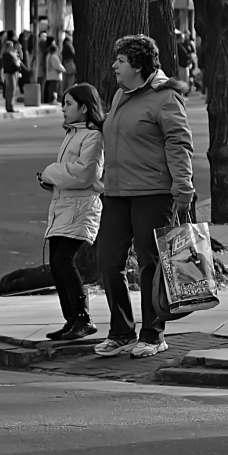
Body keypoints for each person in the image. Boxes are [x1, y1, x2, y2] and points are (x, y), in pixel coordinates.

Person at [94, 34, 194, 359]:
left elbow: (178, 144)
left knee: (150, 265)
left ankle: (153, 333)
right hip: (117, 193)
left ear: (137, 64)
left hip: (153, 194)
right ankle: (121, 331)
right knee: (108, 262)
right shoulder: (122, 95)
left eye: (120, 61)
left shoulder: (165, 97)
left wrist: (183, 188)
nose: (114, 66)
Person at [39, 83, 105, 341]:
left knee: (64, 261)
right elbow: (70, 170)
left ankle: (83, 319)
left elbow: (86, 173)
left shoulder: (93, 136)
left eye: (68, 104)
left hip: (81, 207)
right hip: (64, 205)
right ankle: (71, 320)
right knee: (57, 264)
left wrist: (50, 172)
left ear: (84, 107)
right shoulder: (72, 133)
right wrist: (51, 178)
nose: (63, 108)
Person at [1, 31, 22, 113]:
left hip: (10, 72)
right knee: (12, 89)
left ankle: (8, 106)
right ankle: (10, 106)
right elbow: (14, 63)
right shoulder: (7, 54)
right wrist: (18, 64)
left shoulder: (9, 54)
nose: (12, 47)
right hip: (10, 72)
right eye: (11, 46)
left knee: (9, 89)